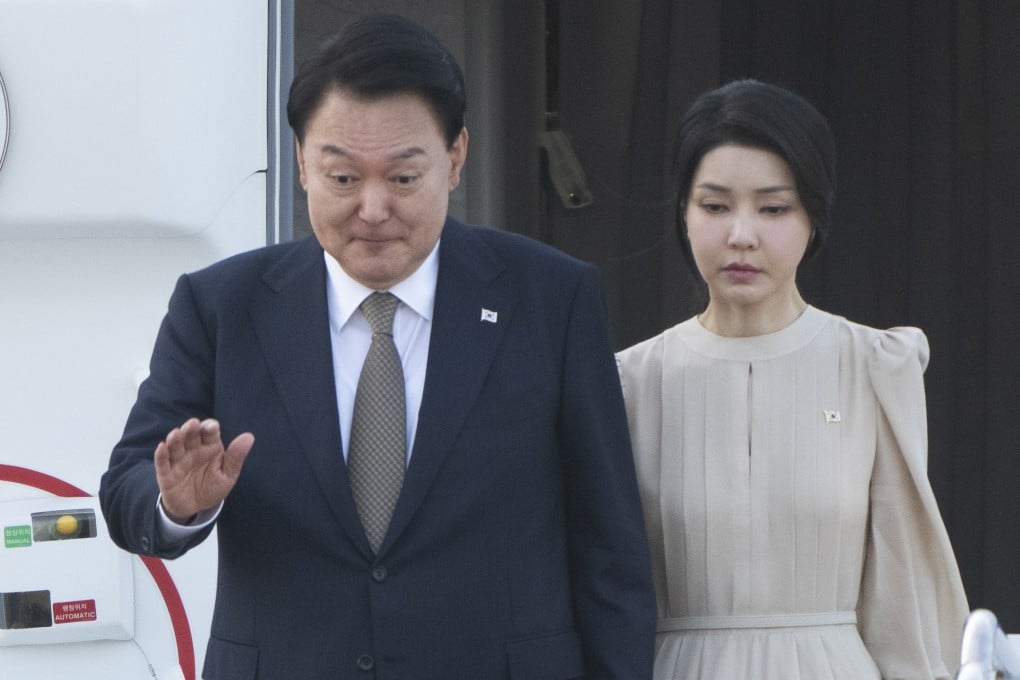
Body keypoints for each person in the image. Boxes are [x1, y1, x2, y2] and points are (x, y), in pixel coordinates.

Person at [99, 13, 655, 679]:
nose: (371, 208)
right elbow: (126, 492)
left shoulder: (549, 299)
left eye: (402, 177)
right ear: (302, 163)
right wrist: (179, 505)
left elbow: (609, 548)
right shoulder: (222, 306)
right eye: (341, 177)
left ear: (454, 159)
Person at [616, 79, 969, 679]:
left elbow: (901, 591)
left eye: (774, 208)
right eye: (715, 205)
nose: (742, 235)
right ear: (684, 212)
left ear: (813, 216)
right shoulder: (628, 383)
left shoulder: (874, 365)